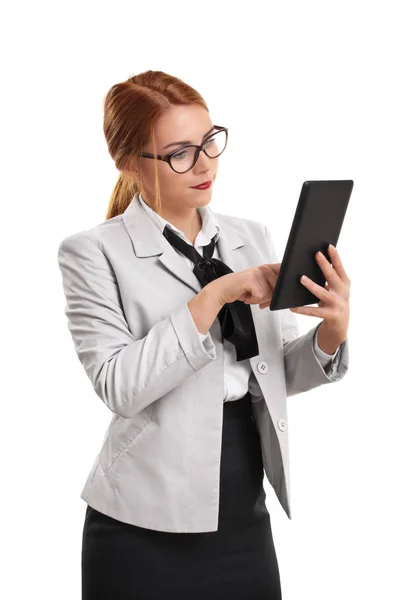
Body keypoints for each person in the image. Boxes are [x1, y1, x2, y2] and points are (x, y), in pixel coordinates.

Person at [57, 69, 350, 600]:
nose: (205, 164)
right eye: (180, 153)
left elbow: (274, 374)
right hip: (139, 523)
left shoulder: (250, 235)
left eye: (210, 142)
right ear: (128, 164)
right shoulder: (91, 252)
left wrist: (331, 332)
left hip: (243, 503)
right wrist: (212, 296)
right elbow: (118, 386)